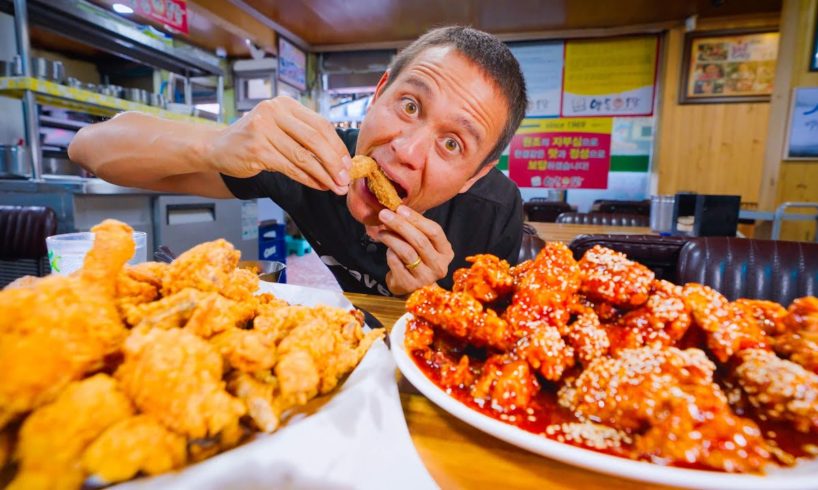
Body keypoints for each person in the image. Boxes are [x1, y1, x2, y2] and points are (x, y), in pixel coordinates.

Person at [69, 26, 527, 297]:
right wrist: (217, 143)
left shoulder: (493, 213)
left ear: (478, 173)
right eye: (409, 105)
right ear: (378, 93)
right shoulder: (309, 158)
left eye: (452, 145)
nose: (406, 151)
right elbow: (89, 148)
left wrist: (427, 303)